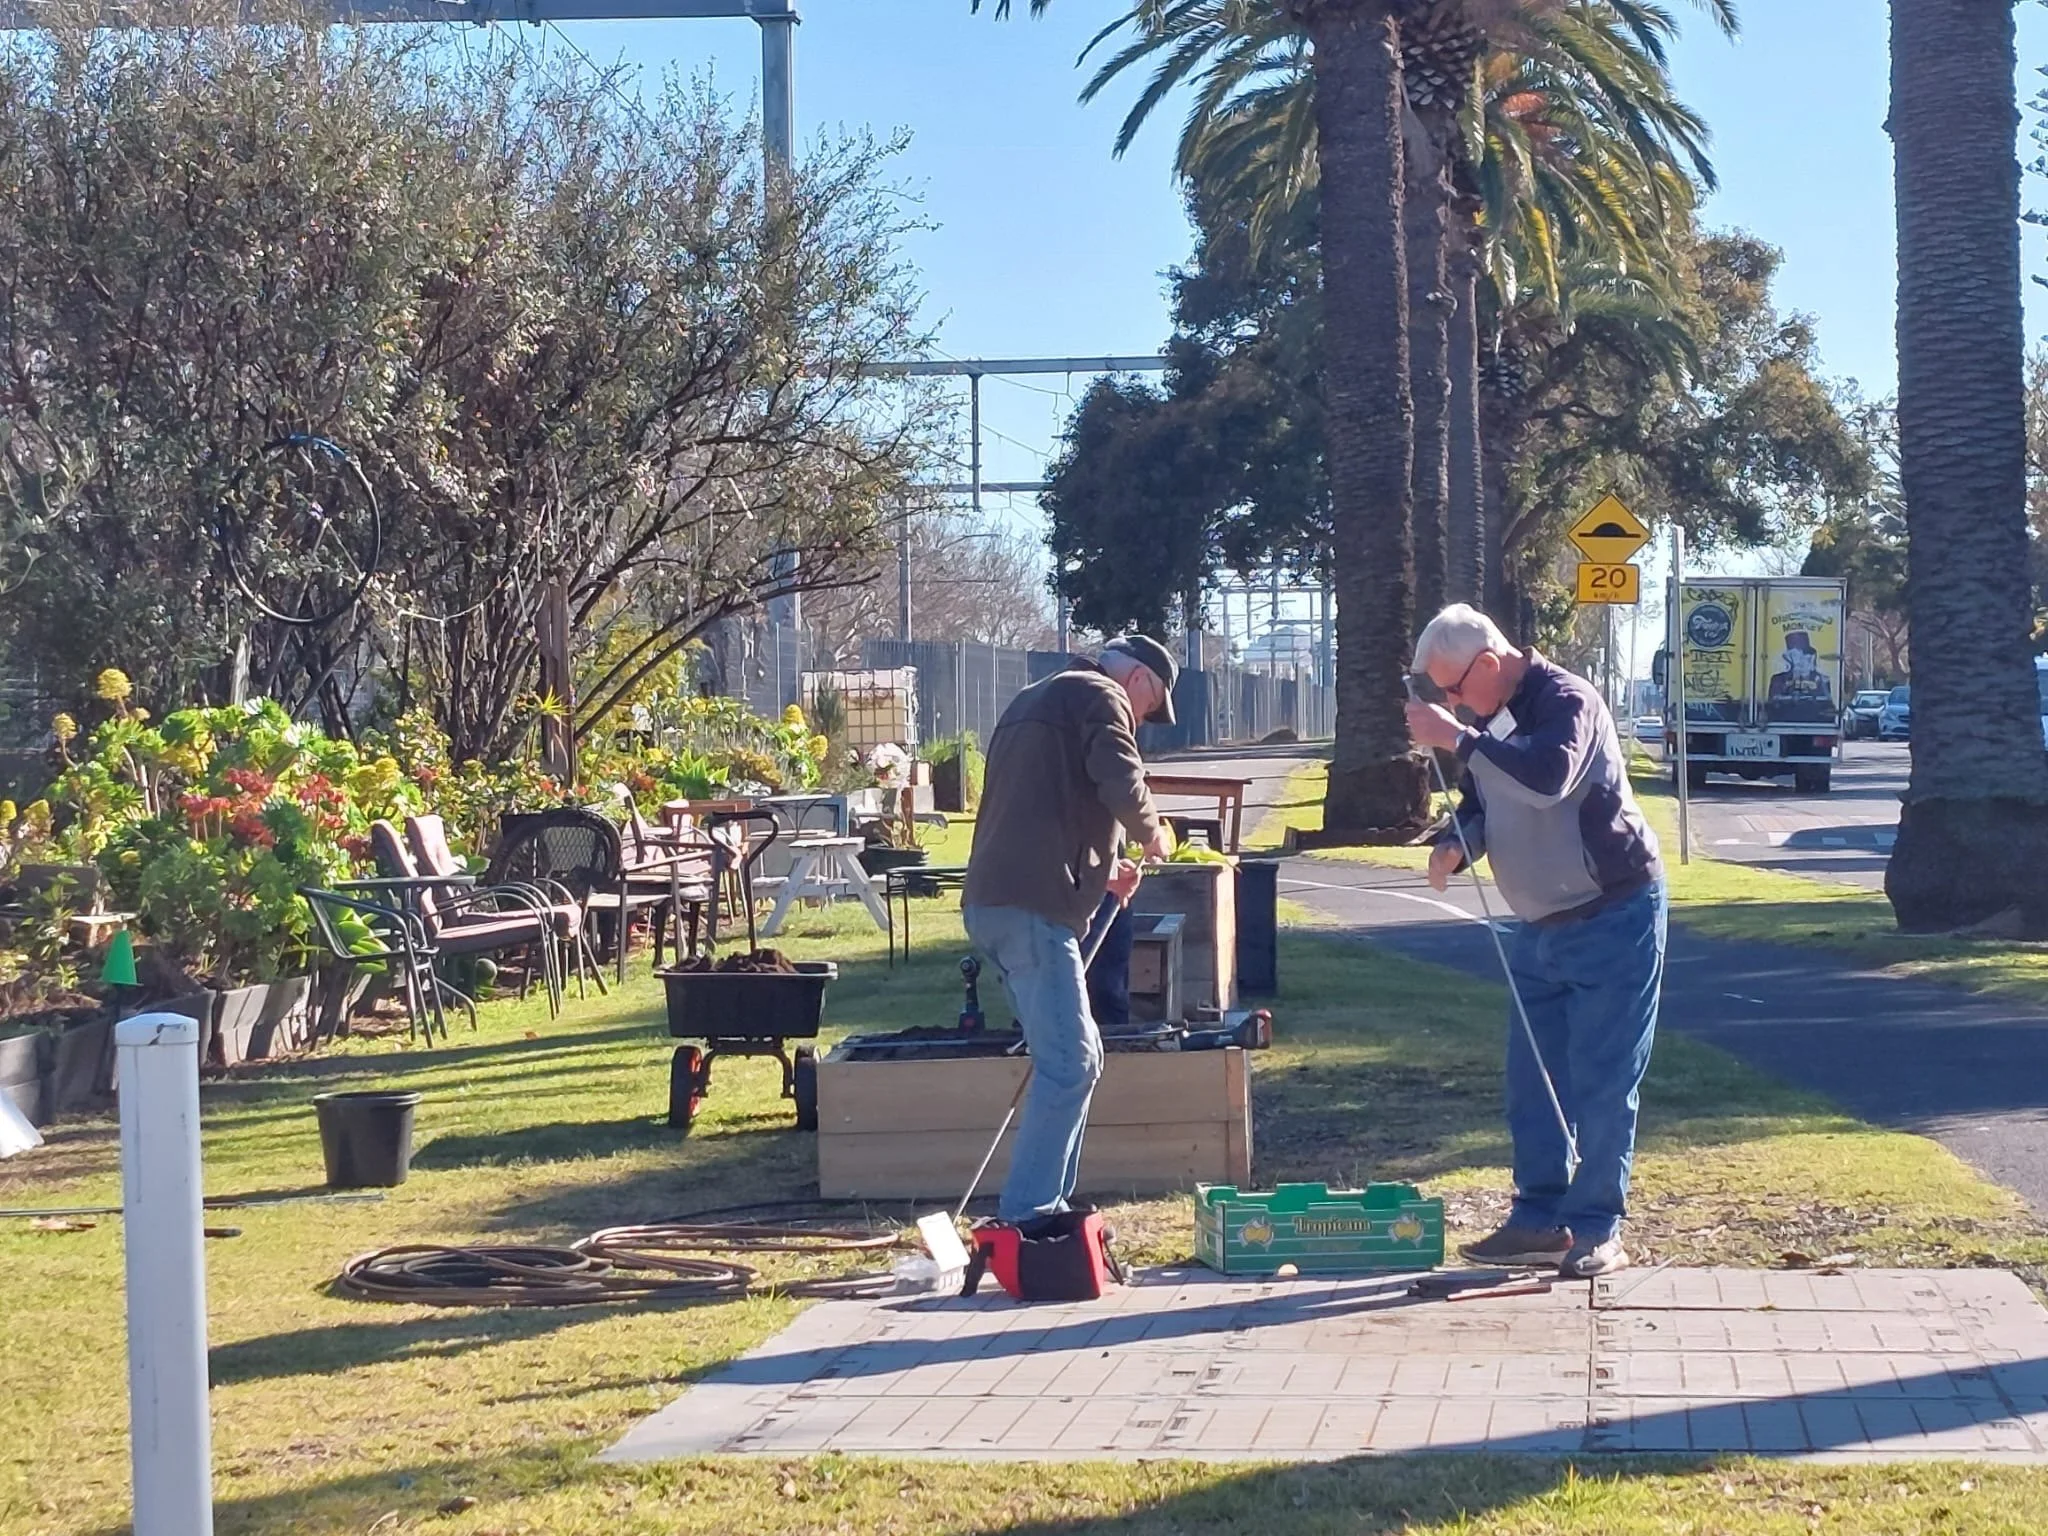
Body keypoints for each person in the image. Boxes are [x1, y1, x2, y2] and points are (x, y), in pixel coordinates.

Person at [1404, 603, 1665, 1279]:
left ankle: (1598, 1228)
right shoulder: (1491, 720)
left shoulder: (1568, 701)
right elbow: (1485, 798)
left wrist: (1455, 737)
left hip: (1613, 914)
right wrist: (1454, 845)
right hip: (1538, 928)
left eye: (1454, 689)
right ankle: (1539, 1219)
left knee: (1603, 1079)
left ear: (1488, 664)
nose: (1451, 703)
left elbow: (1546, 780)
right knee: (1532, 1081)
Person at [963, 636, 1179, 1227]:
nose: (1142, 719)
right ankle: (1031, 1215)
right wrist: (1150, 829)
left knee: (1081, 1057)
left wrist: (1104, 876)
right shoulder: (1101, 697)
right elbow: (1117, 770)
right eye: (1150, 705)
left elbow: (1041, 806)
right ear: (1138, 682)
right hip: (1033, 911)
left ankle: (1051, 1205)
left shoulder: (1034, 700)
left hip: (994, 903)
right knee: (1070, 1064)